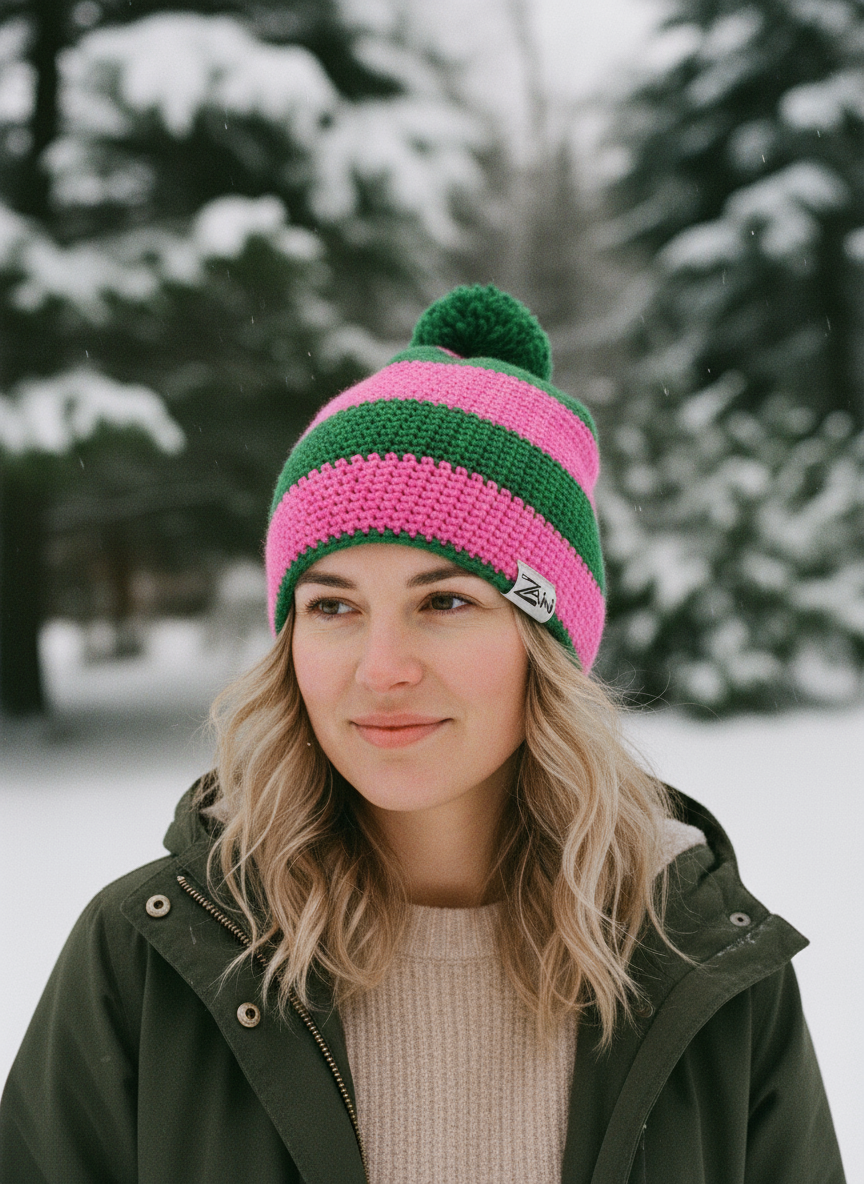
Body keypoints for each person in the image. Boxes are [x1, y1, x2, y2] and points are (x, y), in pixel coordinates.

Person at [0, 286, 845, 1184]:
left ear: (545, 646)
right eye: (333, 606)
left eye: (444, 601)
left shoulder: (701, 965)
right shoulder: (150, 959)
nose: (381, 667)